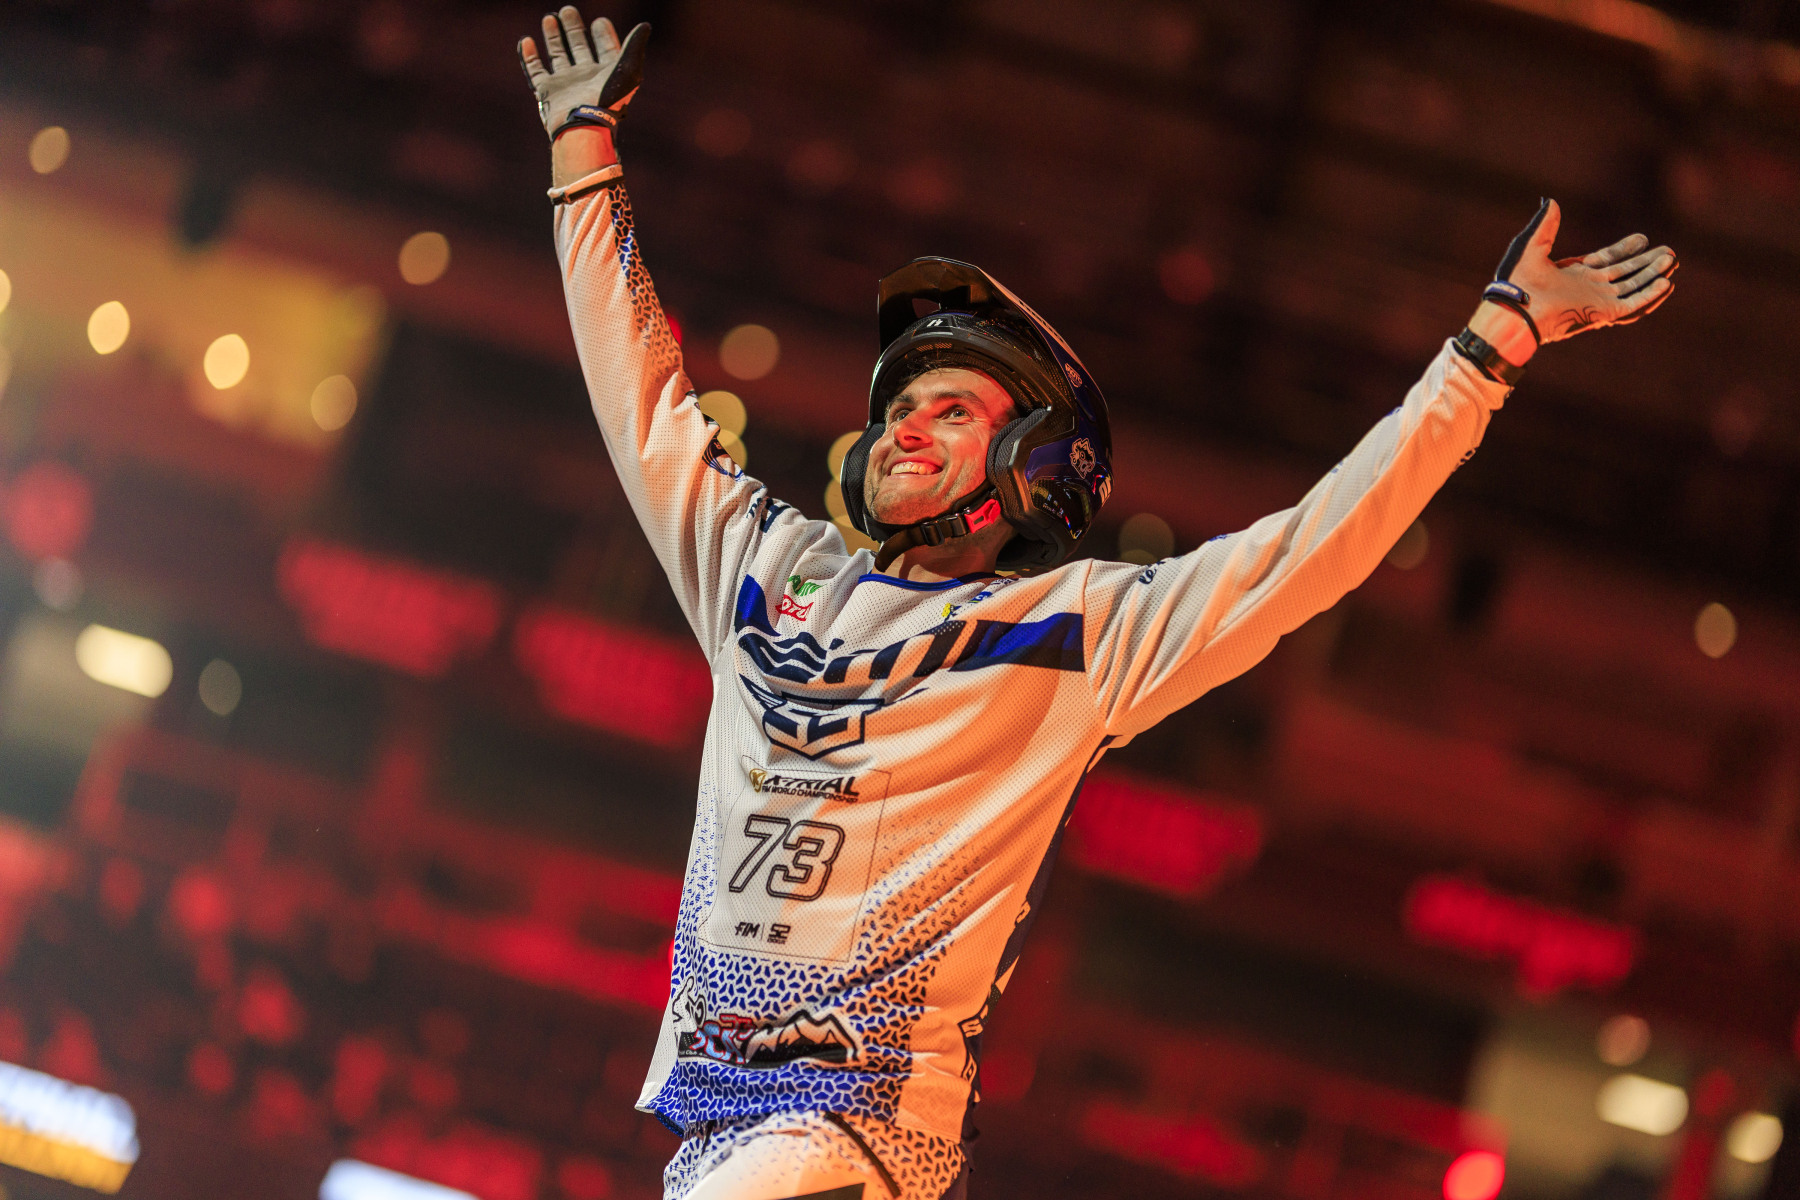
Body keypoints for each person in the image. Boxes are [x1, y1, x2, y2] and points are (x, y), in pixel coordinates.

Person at [516, 9, 1677, 1199]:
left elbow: (1314, 549)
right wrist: (582, 151)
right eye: (899, 407)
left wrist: (1489, 349)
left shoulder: (1079, 634)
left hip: (853, 1130)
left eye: (951, 412)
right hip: (714, 1132)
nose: (904, 426)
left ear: (1028, 465)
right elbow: (644, 406)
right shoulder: (766, 575)